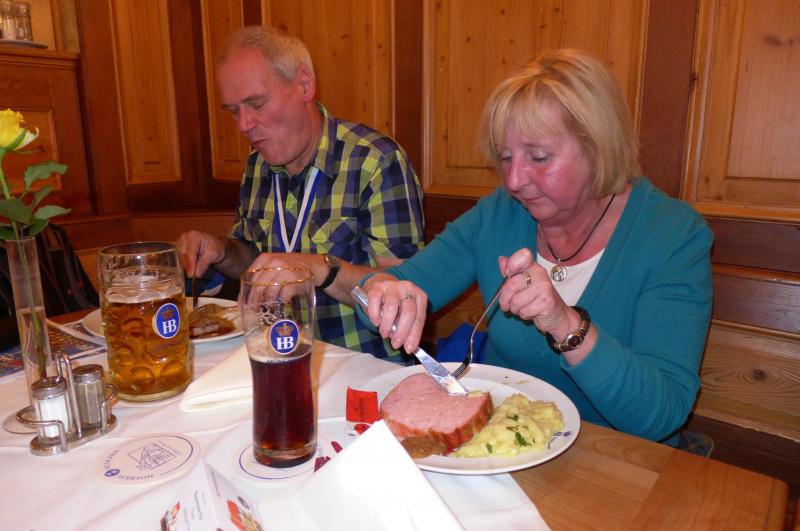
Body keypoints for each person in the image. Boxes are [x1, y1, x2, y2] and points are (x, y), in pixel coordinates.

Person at [359, 48, 713, 444]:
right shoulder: (500, 213)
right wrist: (385, 290)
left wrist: (564, 323)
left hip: (620, 462)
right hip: (503, 448)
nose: (514, 181)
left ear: (598, 147)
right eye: (506, 157)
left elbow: (660, 415)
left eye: (539, 157)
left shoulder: (673, 235)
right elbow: (397, 285)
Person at [179, 26, 424, 359]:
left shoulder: (376, 162)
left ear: (304, 85)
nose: (243, 125)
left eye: (256, 103)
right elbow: (254, 261)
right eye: (234, 111)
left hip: (363, 367)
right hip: (279, 355)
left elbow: (404, 289)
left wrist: (316, 267)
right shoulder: (256, 166)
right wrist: (221, 251)